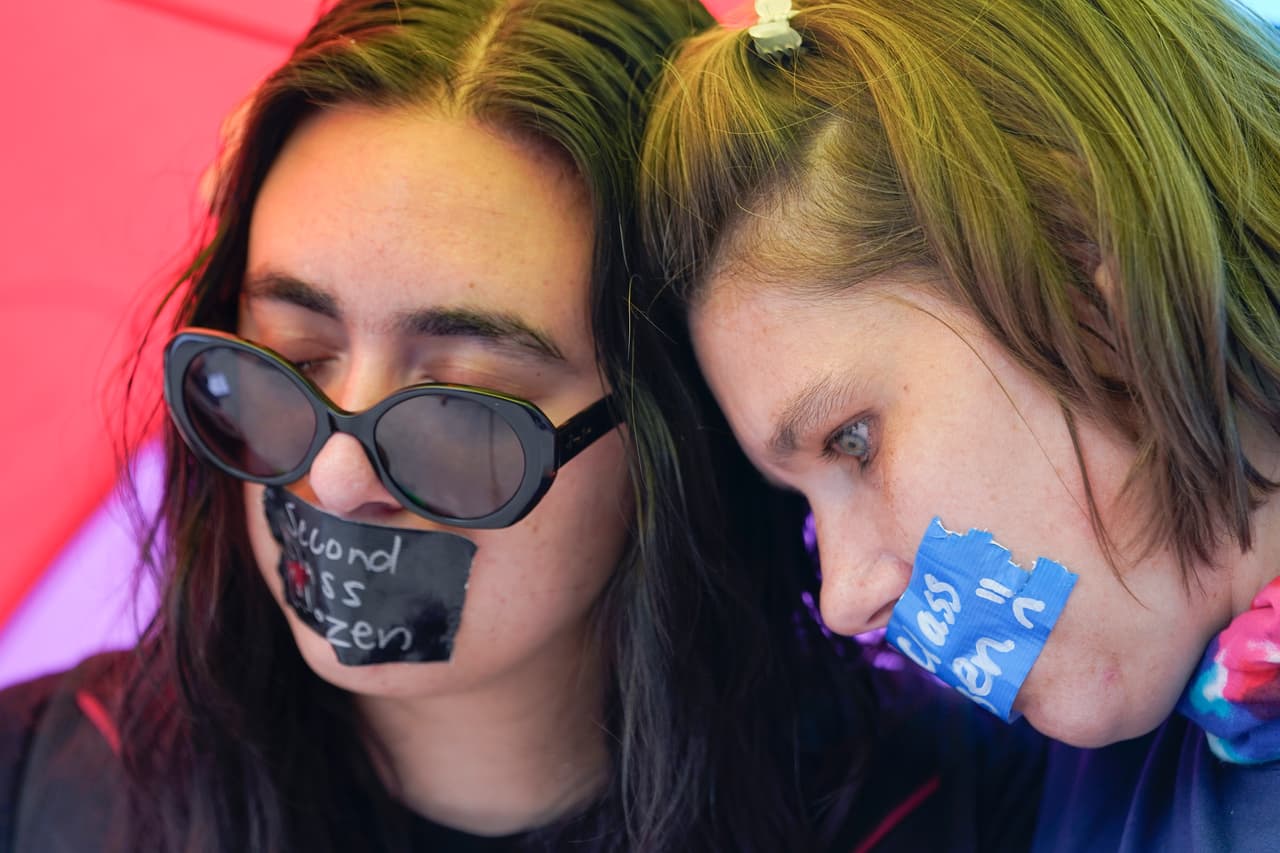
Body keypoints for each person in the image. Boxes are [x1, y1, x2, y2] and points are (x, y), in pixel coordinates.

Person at [0, 1, 1046, 851]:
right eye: (290, 358)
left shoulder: (982, 813)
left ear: (678, 434)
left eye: (460, 402)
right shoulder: (39, 780)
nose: (332, 473)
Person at [638, 0, 1280, 850]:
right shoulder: (1095, 752)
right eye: (804, 503)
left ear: (1085, 279)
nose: (844, 599)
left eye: (852, 441)